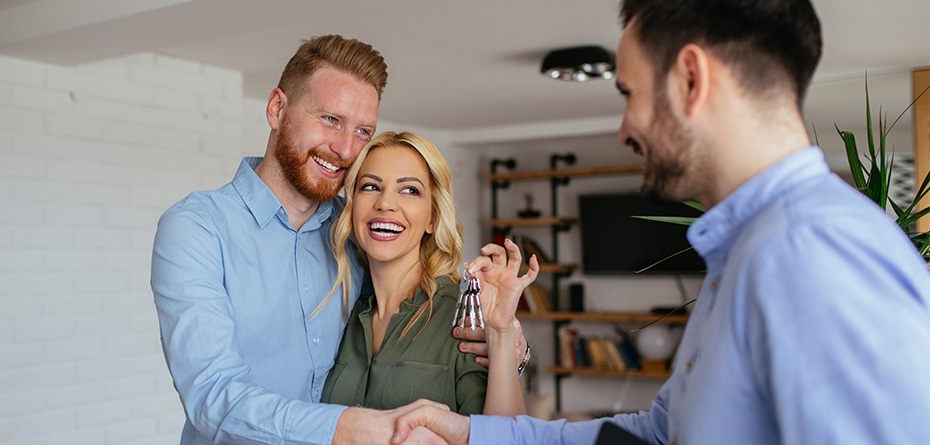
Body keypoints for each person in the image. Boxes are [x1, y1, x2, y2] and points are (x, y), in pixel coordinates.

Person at [391, 1, 930, 444]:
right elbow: (661, 432)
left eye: (629, 94)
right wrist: (471, 433)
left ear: (691, 78)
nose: (626, 129)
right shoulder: (749, 251)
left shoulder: (811, 249)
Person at [151, 35, 527, 444]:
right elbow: (212, 397)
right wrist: (351, 427)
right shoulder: (197, 228)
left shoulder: (353, 234)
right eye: (330, 119)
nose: (344, 148)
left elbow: (423, 301)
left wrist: (508, 346)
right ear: (277, 109)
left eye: (363, 130)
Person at [319, 131, 534, 416]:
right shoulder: (342, 314)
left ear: (432, 217)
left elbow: (506, 437)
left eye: (409, 190)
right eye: (370, 186)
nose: (385, 203)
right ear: (352, 205)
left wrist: (502, 337)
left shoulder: (464, 315)